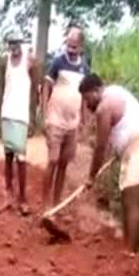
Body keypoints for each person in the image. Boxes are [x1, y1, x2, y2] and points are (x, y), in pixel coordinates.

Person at [78, 74, 139, 251]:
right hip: (138, 146)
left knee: (131, 202)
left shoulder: (104, 107)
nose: (87, 105)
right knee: (128, 199)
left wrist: (91, 177)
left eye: (88, 99)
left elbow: (100, 147)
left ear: (96, 91)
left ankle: (130, 252)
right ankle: (128, 247)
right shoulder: (115, 91)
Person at [41, 27, 90, 207]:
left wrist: (83, 121)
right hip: (55, 119)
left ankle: (56, 204)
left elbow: (85, 96)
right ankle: (45, 204)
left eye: (74, 46)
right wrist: (44, 113)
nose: (70, 49)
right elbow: (46, 86)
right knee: (53, 160)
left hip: (73, 123)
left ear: (81, 46)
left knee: (63, 164)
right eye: (68, 45)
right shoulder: (57, 63)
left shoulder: (85, 68)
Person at [0, 29, 38, 215]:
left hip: (21, 114)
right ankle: (8, 197)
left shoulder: (30, 60)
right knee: (8, 157)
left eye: (16, 43)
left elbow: (34, 90)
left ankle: (23, 199)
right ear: (8, 45)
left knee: (21, 158)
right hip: (7, 112)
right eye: (10, 43)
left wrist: (33, 117)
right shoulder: (4, 61)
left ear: (21, 43)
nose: (14, 47)